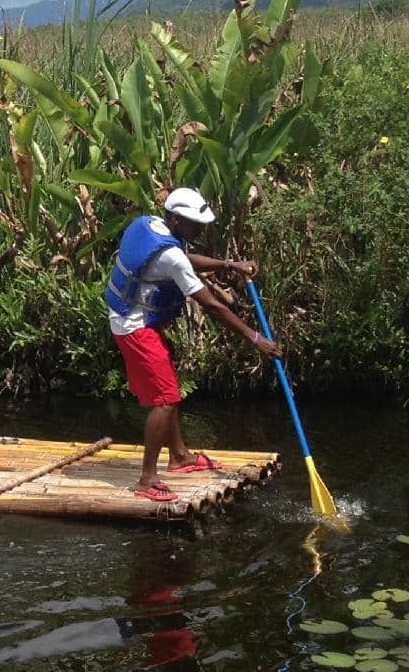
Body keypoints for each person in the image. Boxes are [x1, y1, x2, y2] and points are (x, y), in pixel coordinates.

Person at [104, 187, 279, 502]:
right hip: (134, 328)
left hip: (137, 321)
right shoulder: (170, 255)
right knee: (166, 398)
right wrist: (254, 338)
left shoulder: (151, 225)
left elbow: (183, 258)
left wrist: (228, 265)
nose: (200, 229)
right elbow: (213, 306)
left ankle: (180, 456)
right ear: (175, 218)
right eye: (194, 223)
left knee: (167, 390)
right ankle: (147, 479)